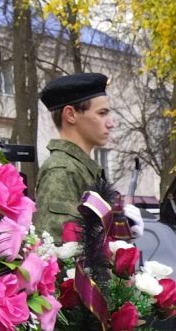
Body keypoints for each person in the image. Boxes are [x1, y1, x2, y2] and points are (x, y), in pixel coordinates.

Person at [32, 71, 117, 238]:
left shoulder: (79, 168)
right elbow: (59, 253)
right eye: (102, 113)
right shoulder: (62, 171)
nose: (111, 123)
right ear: (71, 115)